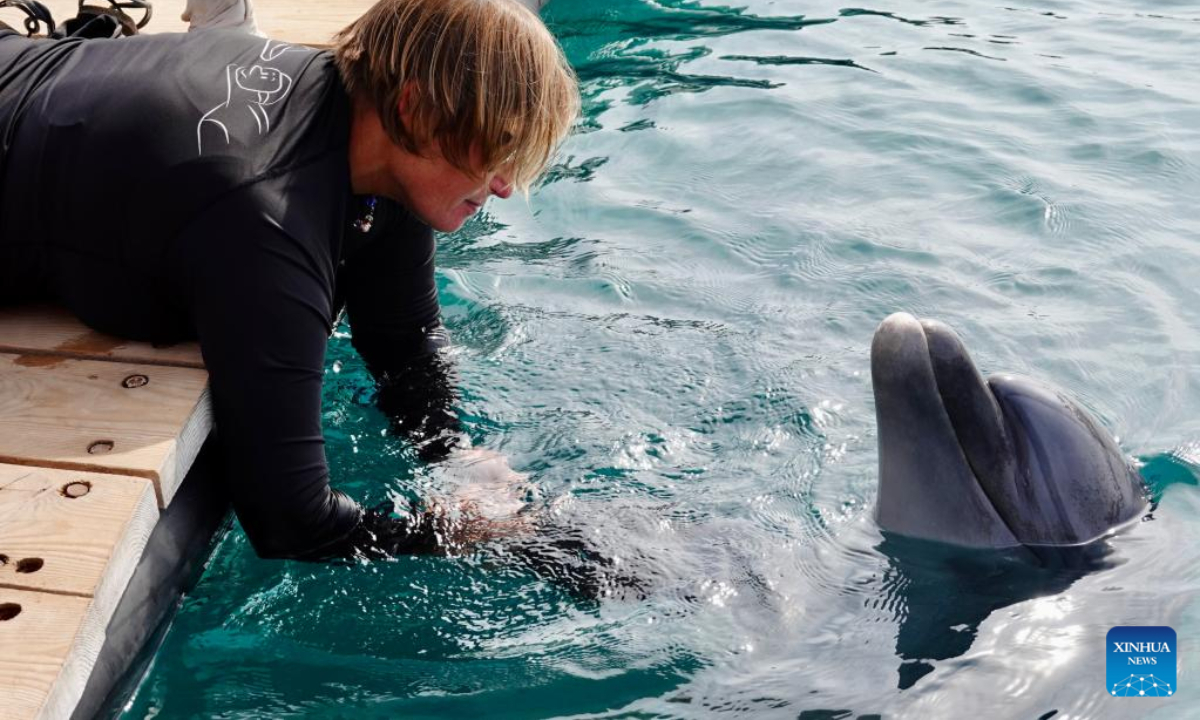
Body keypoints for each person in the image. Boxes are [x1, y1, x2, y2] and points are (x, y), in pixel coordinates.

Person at [0, 0, 580, 560]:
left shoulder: (362, 121)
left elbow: (402, 337)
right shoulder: (264, 218)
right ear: (412, 108)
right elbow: (291, 521)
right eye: (499, 150)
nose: (505, 185)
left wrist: (456, 455)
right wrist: (478, 538)